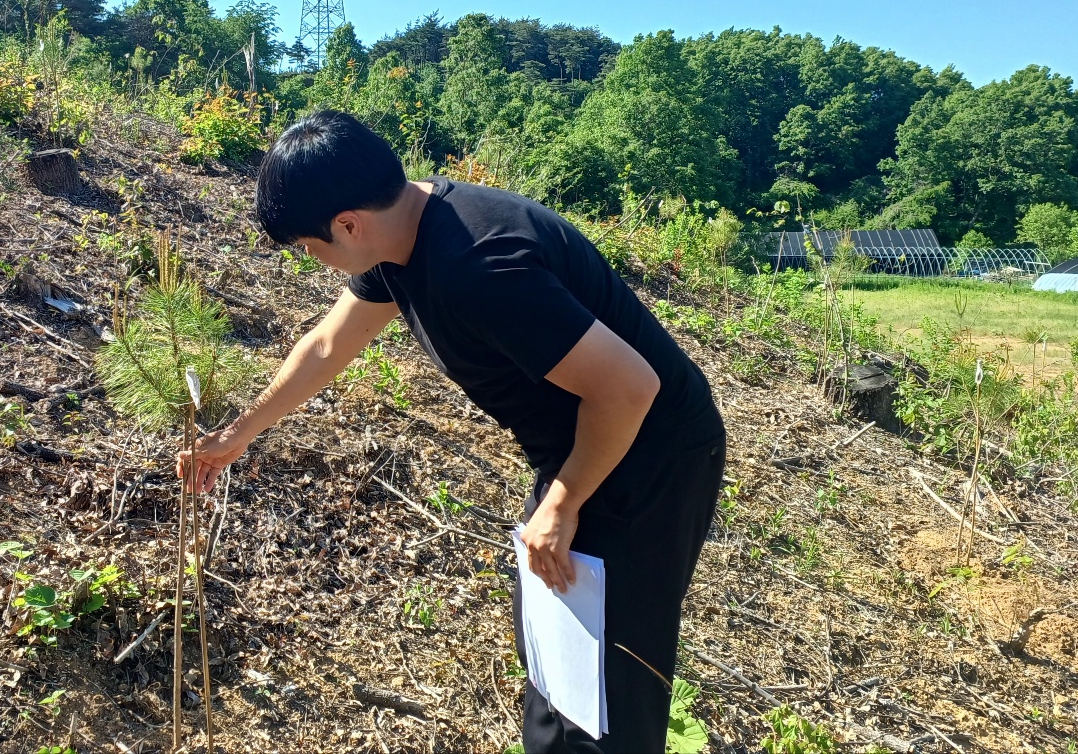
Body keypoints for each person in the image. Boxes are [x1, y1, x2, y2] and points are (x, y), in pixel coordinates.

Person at [183, 110, 725, 753]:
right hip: (585, 444)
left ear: (346, 224)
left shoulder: (480, 266)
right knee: (557, 664)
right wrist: (239, 435)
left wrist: (564, 500)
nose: (316, 262)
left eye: (310, 248)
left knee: (607, 696)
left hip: (648, 452)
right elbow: (330, 343)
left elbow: (631, 388)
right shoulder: (401, 236)